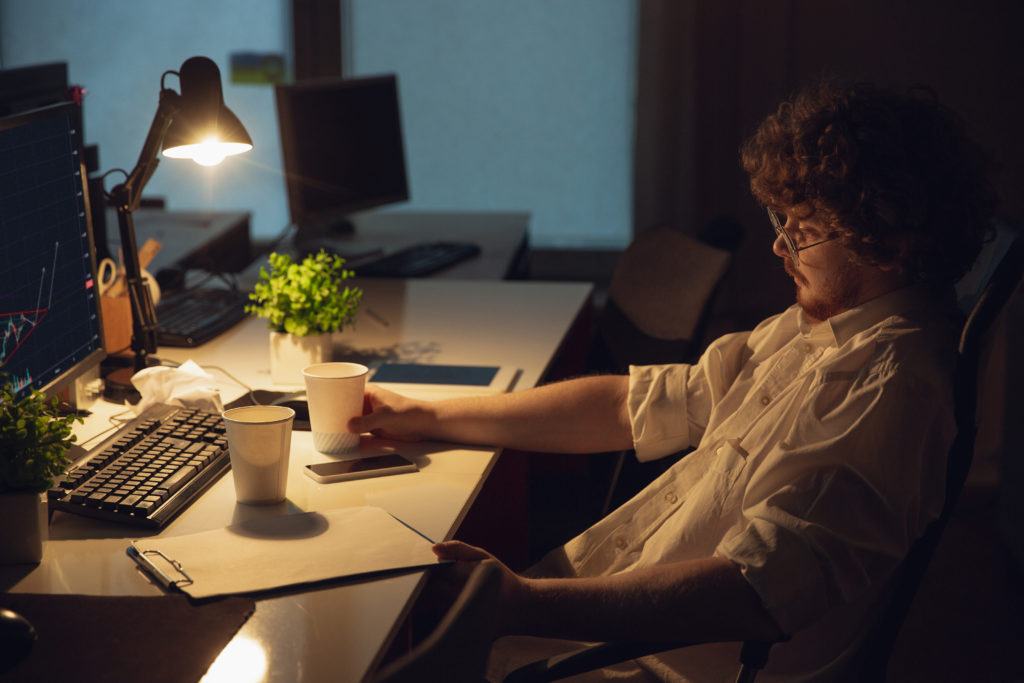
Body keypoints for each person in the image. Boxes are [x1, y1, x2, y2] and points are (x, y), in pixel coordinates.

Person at [349, 79, 998, 681]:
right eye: (783, 223)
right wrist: (433, 418)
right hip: (591, 626)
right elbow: (629, 405)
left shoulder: (889, 387)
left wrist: (520, 605)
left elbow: (752, 590)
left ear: (890, 244)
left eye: (803, 232)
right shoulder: (817, 328)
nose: (780, 247)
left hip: (643, 665)